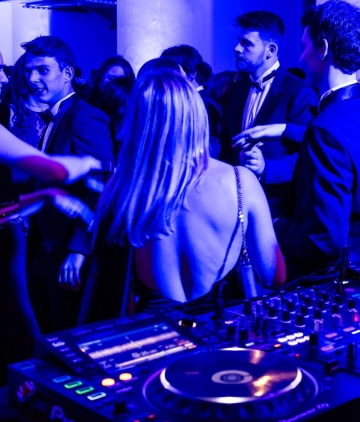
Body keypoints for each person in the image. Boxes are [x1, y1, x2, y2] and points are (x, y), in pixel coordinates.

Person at [0, 29, 99, 397]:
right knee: (15, 362)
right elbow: (53, 168)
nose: (6, 77)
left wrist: (47, 197)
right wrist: (93, 162)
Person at [97, 66, 284, 303]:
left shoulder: (120, 188)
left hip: (153, 323)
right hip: (222, 323)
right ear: (196, 115)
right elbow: (274, 276)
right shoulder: (240, 182)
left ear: (137, 123)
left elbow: (107, 276)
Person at [274, 0, 360, 278]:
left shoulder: (326, 128)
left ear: (323, 48)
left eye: (305, 47)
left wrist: (275, 225)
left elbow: (323, 240)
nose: (301, 58)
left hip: (342, 279)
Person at [23, 36, 115, 333]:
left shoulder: (84, 116)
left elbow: (102, 184)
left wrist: (79, 250)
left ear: (67, 74)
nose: (32, 78)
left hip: (69, 248)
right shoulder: (55, 115)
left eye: (42, 70)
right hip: (47, 244)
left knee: (69, 332)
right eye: (29, 71)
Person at [221, 11, 317, 219]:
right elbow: (226, 142)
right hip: (233, 205)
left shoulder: (298, 91)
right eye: (238, 41)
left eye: (246, 43)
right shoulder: (238, 86)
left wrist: (267, 167)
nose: (237, 48)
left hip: (275, 210)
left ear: (270, 50)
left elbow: (308, 155)